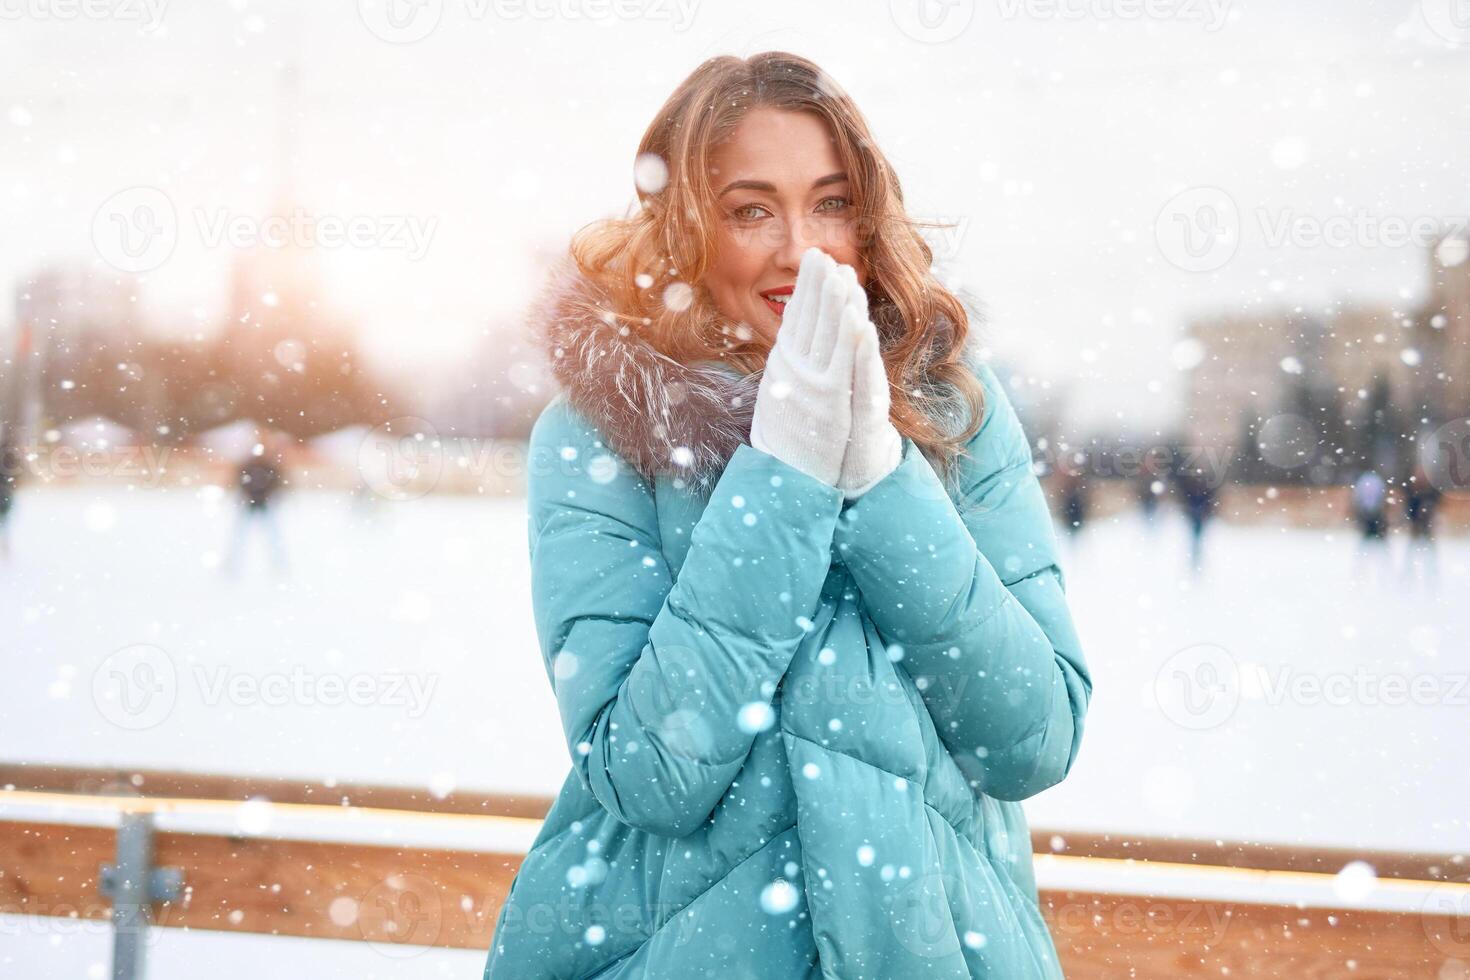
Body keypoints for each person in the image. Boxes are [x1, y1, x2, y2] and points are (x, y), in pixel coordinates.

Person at [484, 53, 1092, 980]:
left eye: (833, 202)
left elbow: (1032, 736)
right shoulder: (600, 432)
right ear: (686, 228)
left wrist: (881, 479)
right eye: (750, 209)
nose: (801, 247)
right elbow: (649, 769)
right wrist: (784, 477)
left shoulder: (955, 410)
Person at [223, 432, 289, 577]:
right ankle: (233, 562)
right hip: (251, 502)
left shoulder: (268, 466)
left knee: (270, 534)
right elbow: (239, 481)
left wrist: (272, 495)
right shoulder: (251, 465)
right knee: (241, 535)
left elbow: (277, 483)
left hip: (263, 502)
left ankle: (278, 563)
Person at [1401, 461, 1442, 590]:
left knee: (1429, 553)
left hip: (1426, 526)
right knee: (1412, 552)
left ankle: (1432, 577)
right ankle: (1408, 576)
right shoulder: (1412, 490)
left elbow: (1436, 504)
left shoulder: (1430, 491)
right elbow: (1408, 507)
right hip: (1416, 526)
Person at [1350, 467, 1390, 587]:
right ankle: (1384, 571)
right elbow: (1383, 499)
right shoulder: (1377, 481)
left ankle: (1360, 571)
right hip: (1377, 518)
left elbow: (1357, 500)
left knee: (1365, 547)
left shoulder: (1362, 481)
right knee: (1381, 548)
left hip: (1368, 517)